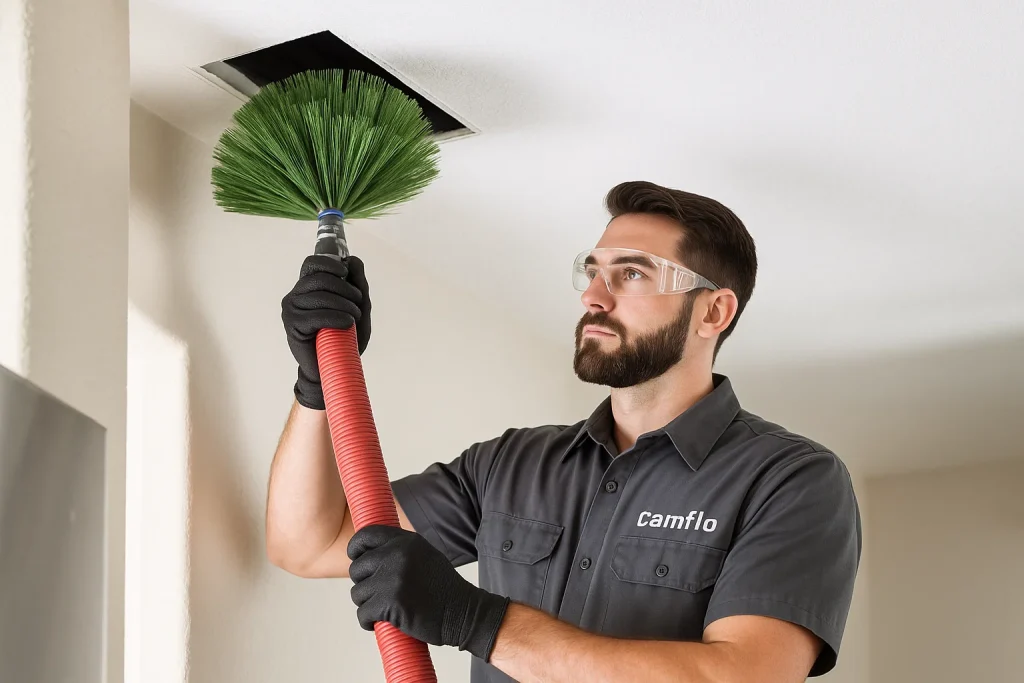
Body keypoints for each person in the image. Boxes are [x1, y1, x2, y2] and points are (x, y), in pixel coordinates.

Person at [266, 180, 862, 683]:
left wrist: (476, 620)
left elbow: (740, 675)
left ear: (713, 311)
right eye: (594, 270)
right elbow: (308, 543)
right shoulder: (511, 464)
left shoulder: (790, 480)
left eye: (632, 274)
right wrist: (317, 382)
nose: (593, 296)